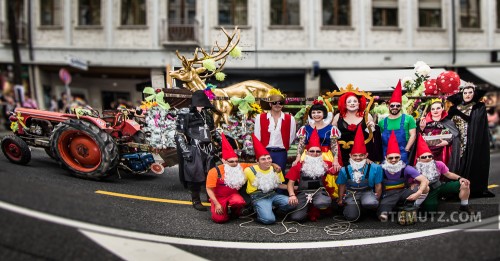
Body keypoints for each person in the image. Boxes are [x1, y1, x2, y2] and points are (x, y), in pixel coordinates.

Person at [446, 83, 494, 198]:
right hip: (457, 141)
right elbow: (446, 122)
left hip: (473, 140)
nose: (467, 95)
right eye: (465, 92)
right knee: (457, 164)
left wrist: (458, 113)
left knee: (472, 163)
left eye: (470, 92)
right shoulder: (454, 107)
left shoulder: (479, 107)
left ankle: (475, 189)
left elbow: (474, 122)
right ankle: (456, 189)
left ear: (474, 94)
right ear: (462, 94)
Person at [175, 90, 220, 211]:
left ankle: (209, 197)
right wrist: (185, 151)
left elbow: (213, 132)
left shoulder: (208, 114)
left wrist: (220, 143)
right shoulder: (185, 113)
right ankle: (195, 199)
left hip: (208, 148)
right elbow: (179, 134)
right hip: (194, 148)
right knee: (194, 175)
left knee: (210, 174)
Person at [377, 131, 429, 221]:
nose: (394, 160)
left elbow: (425, 180)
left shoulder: (406, 168)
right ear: (386, 158)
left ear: (400, 157)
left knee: (426, 188)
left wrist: (418, 192)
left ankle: (414, 206)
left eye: (396, 157)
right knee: (383, 217)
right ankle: (393, 208)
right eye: (391, 158)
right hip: (388, 195)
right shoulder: (380, 169)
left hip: (404, 193)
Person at [293, 100, 341, 198]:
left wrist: (335, 160)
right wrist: (298, 157)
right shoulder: (305, 128)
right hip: (308, 155)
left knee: (326, 178)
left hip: (325, 155)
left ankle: (325, 200)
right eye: (313, 112)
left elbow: (334, 145)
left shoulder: (331, 129)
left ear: (324, 114)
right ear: (310, 114)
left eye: (319, 112)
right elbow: (301, 144)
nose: (316, 114)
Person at [414, 134, 473, 213]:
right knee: (430, 212)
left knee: (465, 184)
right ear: (418, 159)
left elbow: (448, 174)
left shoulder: (438, 164)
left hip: (440, 186)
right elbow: (411, 184)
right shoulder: (414, 169)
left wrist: (460, 178)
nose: (428, 158)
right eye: (424, 157)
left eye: (430, 156)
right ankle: (422, 205)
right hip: (427, 191)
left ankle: (464, 206)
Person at [243, 134, 295, 224]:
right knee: (269, 220)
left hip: (272, 194)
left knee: (293, 203)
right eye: (263, 159)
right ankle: (259, 211)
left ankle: (272, 210)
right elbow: (239, 177)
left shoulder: (275, 169)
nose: (267, 161)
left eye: (269, 158)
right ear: (257, 161)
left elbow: (278, 185)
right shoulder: (249, 170)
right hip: (258, 197)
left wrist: (292, 188)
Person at [286, 128, 334, 222]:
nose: (315, 154)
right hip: (303, 193)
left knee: (322, 203)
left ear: (321, 153)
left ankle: (316, 207)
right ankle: (305, 209)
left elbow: (340, 172)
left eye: (318, 151)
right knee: (296, 218)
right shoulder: (298, 166)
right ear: (307, 152)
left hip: (319, 192)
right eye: (312, 151)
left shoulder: (326, 164)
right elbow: (290, 183)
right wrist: (292, 195)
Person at [336, 126, 383, 221]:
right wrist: (340, 199)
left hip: (367, 192)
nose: (358, 158)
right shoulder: (344, 169)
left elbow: (378, 185)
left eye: (361, 155)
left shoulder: (376, 167)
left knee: (371, 203)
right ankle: (351, 208)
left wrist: (377, 199)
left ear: (366, 155)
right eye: (355, 156)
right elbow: (342, 185)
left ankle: (366, 208)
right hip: (351, 193)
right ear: (350, 155)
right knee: (351, 217)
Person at [206, 133, 249, 223]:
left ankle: (235, 212)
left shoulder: (240, 166)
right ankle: (222, 210)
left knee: (239, 202)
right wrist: (217, 204)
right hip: (219, 197)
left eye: (237, 161)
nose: (235, 164)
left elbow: (258, 165)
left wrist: (273, 164)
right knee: (219, 220)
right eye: (231, 161)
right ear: (224, 160)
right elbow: (209, 189)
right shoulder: (214, 171)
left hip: (233, 195)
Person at [333, 92, 383, 166]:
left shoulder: (367, 116)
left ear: (359, 103)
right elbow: (333, 139)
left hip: (362, 156)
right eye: (349, 101)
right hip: (343, 155)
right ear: (345, 104)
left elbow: (371, 138)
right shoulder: (337, 117)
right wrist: (335, 158)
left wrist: (373, 128)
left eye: (355, 101)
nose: (352, 103)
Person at [253, 92, 296, 172]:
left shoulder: (290, 119)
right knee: (264, 176)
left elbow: (291, 137)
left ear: (283, 105)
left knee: (279, 177)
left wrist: (284, 147)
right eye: (274, 103)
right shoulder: (260, 117)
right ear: (270, 104)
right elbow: (257, 137)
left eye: (280, 103)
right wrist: (259, 154)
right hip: (264, 152)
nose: (277, 105)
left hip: (281, 153)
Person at [379, 80, 417, 164]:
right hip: (386, 154)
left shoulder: (409, 118)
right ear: (389, 106)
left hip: (403, 153)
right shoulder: (382, 122)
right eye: (392, 105)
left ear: (401, 106)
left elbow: (413, 135)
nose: (395, 107)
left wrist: (407, 149)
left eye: (397, 105)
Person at [418, 98, 461, 172]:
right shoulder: (424, 121)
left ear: (442, 109)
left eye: (438, 108)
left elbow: (456, 136)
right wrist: (421, 129)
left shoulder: (449, 122)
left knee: (441, 170)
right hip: (427, 152)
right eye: (433, 109)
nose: (435, 111)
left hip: (443, 152)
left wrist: (448, 142)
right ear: (430, 110)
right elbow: (417, 137)